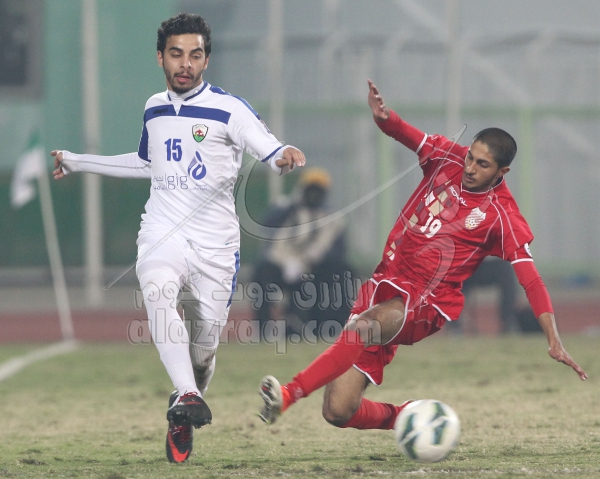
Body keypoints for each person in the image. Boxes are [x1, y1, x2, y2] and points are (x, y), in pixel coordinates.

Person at [257, 79, 587, 431]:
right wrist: (384, 117)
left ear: (501, 172)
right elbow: (404, 132)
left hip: (427, 300)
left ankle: (289, 394)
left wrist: (553, 339)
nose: (470, 168)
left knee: (363, 328)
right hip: (385, 281)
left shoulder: (502, 215)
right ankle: (413, 417)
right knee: (338, 411)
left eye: (483, 164)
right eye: (471, 157)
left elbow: (531, 280)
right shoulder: (447, 156)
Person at [52, 13, 305, 463]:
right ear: (160, 58)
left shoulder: (229, 109)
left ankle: (184, 405)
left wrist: (280, 154)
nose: (185, 63)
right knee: (156, 288)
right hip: (162, 230)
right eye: (176, 54)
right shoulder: (154, 107)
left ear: (206, 59)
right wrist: (78, 161)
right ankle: (187, 393)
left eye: (195, 54)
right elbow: (146, 163)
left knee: (203, 353)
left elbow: (264, 143)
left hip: (216, 247)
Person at [252, 167, 350, 333]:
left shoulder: (332, 218)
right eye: (310, 189)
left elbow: (338, 251)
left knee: (338, 274)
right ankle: (263, 329)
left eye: (318, 190)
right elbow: (267, 224)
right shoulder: (287, 209)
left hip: (312, 268)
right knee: (262, 272)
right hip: (281, 263)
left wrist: (311, 261)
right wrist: (291, 204)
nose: (314, 194)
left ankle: (324, 328)